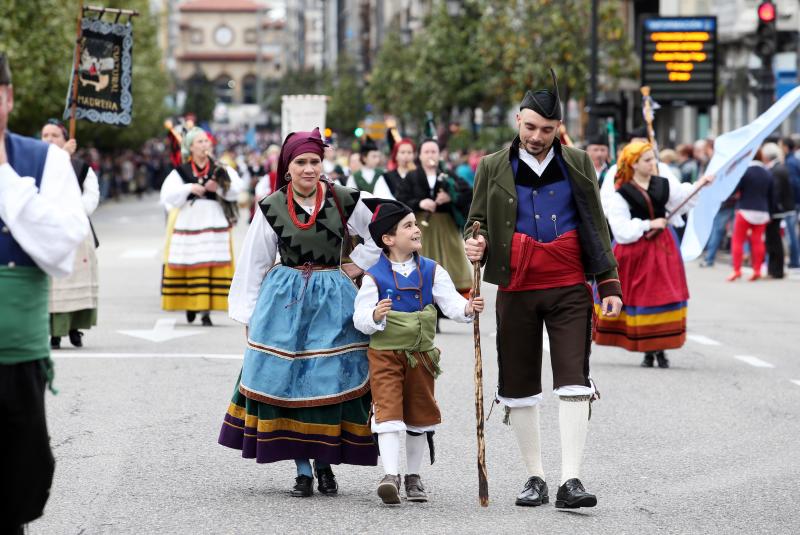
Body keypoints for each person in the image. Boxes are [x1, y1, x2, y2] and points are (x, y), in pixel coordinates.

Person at [464, 69, 622, 509]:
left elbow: (596, 224)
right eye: (530, 127)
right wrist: (475, 240)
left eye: (547, 130)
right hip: (516, 285)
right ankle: (535, 477)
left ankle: (571, 480)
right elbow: (476, 220)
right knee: (517, 384)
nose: (536, 136)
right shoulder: (492, 165)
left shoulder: (579, 162)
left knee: (574, 380)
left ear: (558, 129)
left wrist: (608, 282)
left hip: (570, 284)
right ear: (518, 120)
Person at [218, 127, 382, 497]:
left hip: (333, 296)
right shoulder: (272, 206)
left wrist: (358, 263)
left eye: (315, 161)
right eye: (301, 162)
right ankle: (302, 469)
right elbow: (254, 262)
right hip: (284, 298)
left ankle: (325, 464)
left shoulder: (342, 198)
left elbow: (380, 230)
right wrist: (248, 315)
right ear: (288, 167)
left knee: (328, 377)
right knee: (285, 379)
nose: (309, 168)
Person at [0, 52, 89, 534]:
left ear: (8, 97)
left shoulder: (45, 161)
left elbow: (60, 250)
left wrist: (4, 177)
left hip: (16, 354)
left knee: (20, 473)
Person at [352, 199, 484, 505]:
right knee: (387, 411)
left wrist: (468, 308)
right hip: (385, 356)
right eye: (408, 225)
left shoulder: (432, 270)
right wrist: (374, 315)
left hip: (422, 356)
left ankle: (413, 475)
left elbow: (451, 303)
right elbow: (359, 318)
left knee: (420, 415)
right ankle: (390, 475)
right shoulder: (373, 276)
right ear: (388, 238)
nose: (416, 229)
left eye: (415, 223)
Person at [593, 141, 713, 368]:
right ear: (633, 164)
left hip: (663, 248)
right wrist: (649, 224)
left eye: (653, 159)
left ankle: (660, 348)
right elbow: (621, 228)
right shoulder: (621, 191)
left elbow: (683, 197)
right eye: (647, 160)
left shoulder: (663, 184)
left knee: (663, 295)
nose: (652, 164)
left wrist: (701, 184)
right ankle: (648, 349)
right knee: (641, 297)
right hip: (635, 250)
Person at [159, 127, 242, 326]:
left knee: (212, 262)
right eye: (200, 142)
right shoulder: (181, 171)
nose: (205, 145)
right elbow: (167, 196)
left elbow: (237, 190)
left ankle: (205, 310)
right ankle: (191, 303)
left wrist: (219, 187)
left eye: (206, 141)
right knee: (191, 261)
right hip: (189, 220)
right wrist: (189, 188)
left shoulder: (220, 168)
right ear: (190, 147)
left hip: (214, 220)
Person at [40, 119, 99, 349]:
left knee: (75, 280)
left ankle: (75, 328)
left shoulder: (81, 167)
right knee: (53, 286)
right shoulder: (37, 165)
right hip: (48, 231)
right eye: (45, 135)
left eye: (55, 135)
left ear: (67, 140)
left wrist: (73, 211)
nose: (49, 140)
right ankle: (53, 332)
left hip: (76, 232)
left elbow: (91, 196)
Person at [396, 139, 473, 295]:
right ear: (420, 156)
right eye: (426, 152)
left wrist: (451, 197)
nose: (430, 155)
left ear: (439, 155)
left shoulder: (448, 175)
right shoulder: (412, 176)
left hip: (446, 226)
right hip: (420, 226)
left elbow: (468, 193)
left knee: (451, 262)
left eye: (433, 152)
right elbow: (401, 198)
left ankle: (453, 296)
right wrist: (420, 203)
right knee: (422, 261)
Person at [727, 151, 773, 282]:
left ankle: (737, 270)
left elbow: (734, 190)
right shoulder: (768, 173)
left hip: (745, 209)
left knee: (737, 240)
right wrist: (770, 213)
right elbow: (771, 196)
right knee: (758, 241)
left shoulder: (744, 171)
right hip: (762, 211)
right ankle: (757, 269)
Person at [763, 142, 795, 279]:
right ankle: (774, 270)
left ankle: (776, 271)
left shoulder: (776, 170)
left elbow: (775, 193)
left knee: (774, 241)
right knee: (774, 240)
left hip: (776, 211)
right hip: (778, 209)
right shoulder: (778, 168)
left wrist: (769, 211)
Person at [779, 137, 800, 268]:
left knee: (791, 232)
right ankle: (794, 260)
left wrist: (790, 200)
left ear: (786, 147)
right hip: (794, 202)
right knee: (792, 232)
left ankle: (794, 260)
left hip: (792, 203)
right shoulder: (793, 160)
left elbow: (793, 184)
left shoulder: (790, 162)